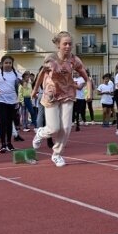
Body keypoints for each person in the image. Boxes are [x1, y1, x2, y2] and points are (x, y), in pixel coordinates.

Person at [32, 31, 89, 167]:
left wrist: (88, 91)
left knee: (66, 127)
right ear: (58, 45)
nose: (68, 46)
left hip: (68, 94)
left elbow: (87, 78)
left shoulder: (74, 60)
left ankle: (57, 154)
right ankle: (40, 133)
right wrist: (34, 90)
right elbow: (41, 73)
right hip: (51, 94)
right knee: (53, 128)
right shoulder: (50, 58)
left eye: (70, 44)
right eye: (65, 44)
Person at [0, 55, 22, 153]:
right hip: (0, 100)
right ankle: (3, 144)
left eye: (10, 63)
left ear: (12, 64)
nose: (8, 65)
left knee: (9, 122)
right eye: (6, 63)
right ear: (2, 64)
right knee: (3, 121)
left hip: (12, 100)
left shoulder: (15, 73)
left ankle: (9, 143)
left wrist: (22, 80)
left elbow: (22, 82)